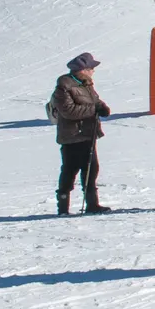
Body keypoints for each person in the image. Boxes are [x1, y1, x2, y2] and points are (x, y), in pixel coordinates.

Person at [49, 52, 112, 215]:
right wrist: (93, 109)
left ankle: (92, 204)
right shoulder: (64, 86)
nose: (93, 71)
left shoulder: (86, 84)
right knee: (70, 170)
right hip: (72, 136)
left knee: (91, 168)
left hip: (87, 133)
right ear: (82, 70)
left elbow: (95, 100)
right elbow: (68, 111)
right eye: (91, 68)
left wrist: (102, 107)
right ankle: (63, 207)